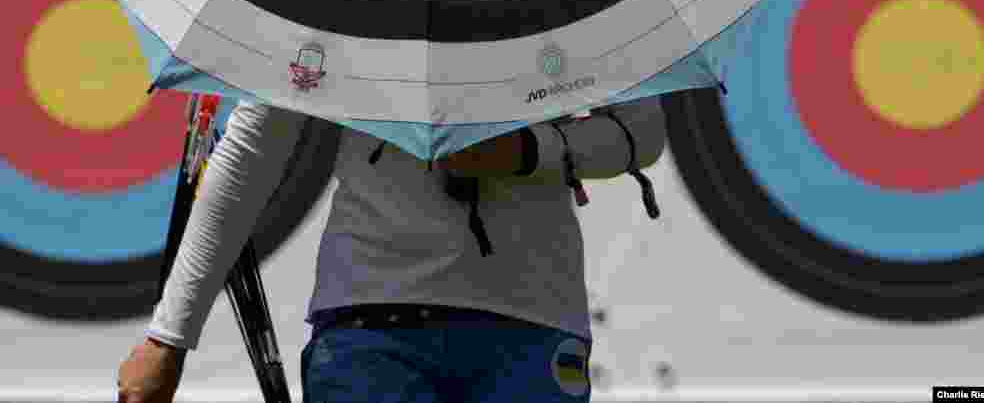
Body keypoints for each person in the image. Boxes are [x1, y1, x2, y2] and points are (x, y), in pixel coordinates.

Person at [117, 94, 667, 403]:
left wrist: (525, 149)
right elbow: (252, 150)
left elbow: (643, 132)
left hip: (530, 326)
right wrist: (169, 336)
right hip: (371, 332)